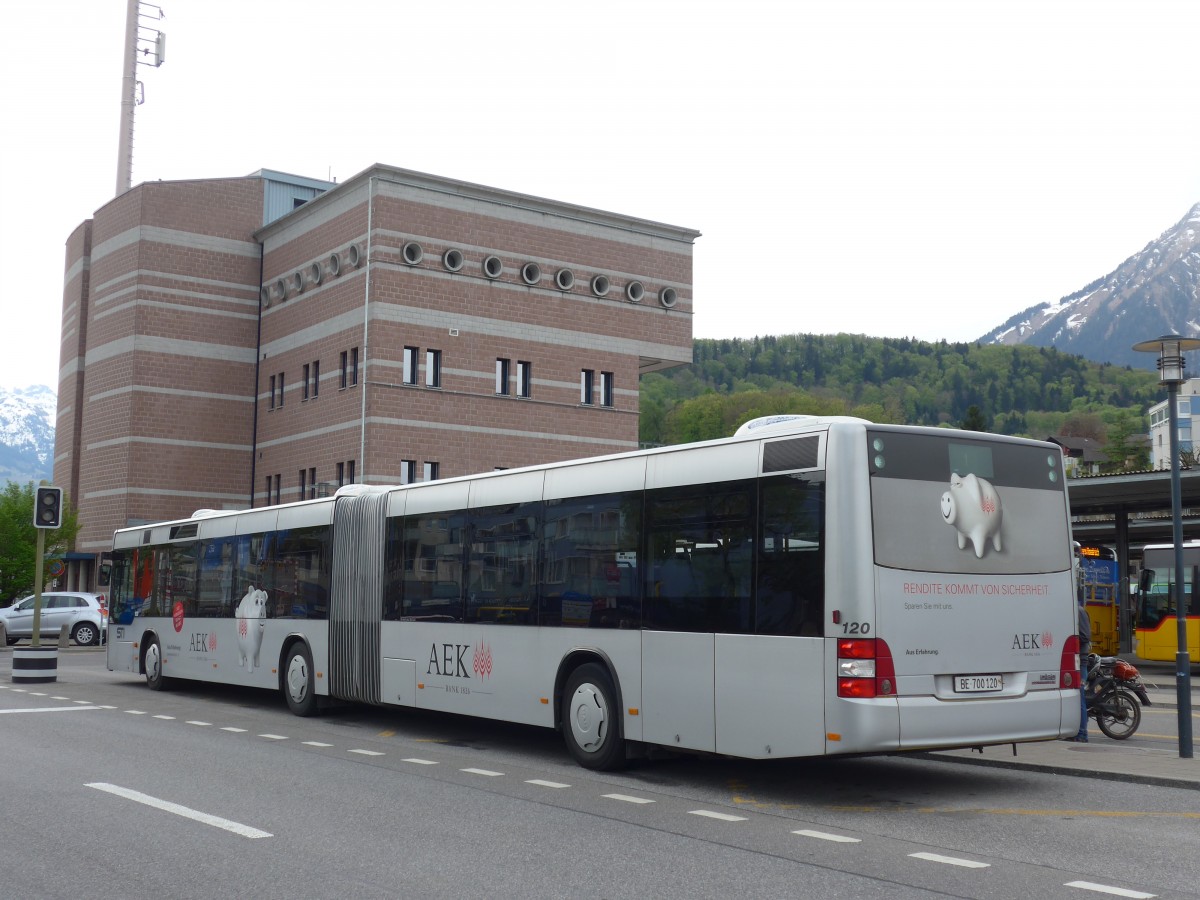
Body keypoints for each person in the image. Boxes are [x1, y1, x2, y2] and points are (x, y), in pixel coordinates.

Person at [1066, 593, 1091, 742]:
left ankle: (1082, 734)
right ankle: (1075, 732)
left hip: (1080, 663)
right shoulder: (1073, 610)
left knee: (1078, 699)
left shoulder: (1079, 611)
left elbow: (1084, 636)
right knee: (1075, 699)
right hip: (1074, 662)